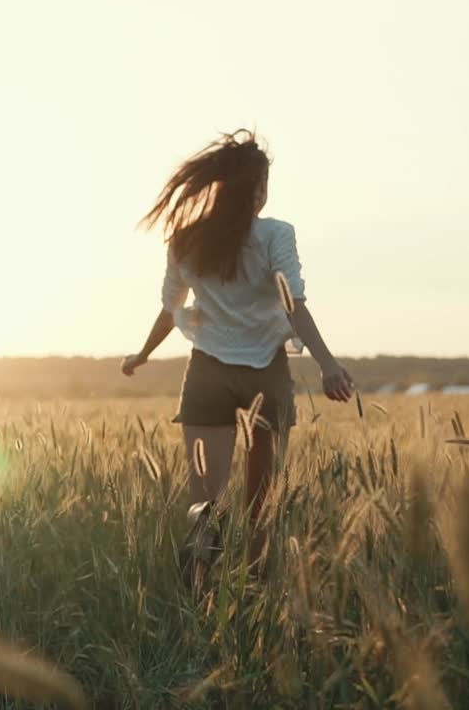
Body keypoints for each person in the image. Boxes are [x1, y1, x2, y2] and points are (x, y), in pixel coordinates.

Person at [120, 129, 354, 564]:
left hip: (207, 372)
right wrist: (328, 365)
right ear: (258, 188)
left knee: (203, 504)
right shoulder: (276, 235)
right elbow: (294, 306)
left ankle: (197, 599)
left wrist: (143, 354)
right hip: (266, 371)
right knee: (261, 506)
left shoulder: (186, 238)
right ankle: (252, 592)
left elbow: (171, 310)